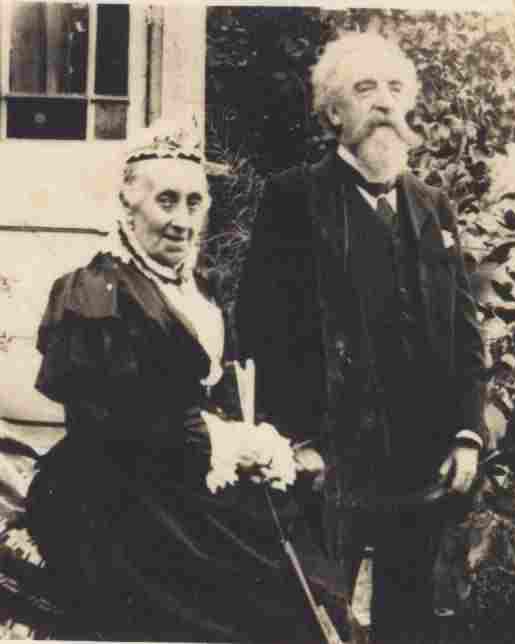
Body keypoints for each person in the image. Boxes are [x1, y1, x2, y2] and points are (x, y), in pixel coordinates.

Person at [25, 118, 345, 643]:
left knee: (304, 583)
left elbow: (220, 394)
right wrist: (222, 442)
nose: (182, 221)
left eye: (195, 203)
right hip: (120, 493)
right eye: (166, 201)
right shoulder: (95, 291)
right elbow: (107, 420)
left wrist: (257, 440)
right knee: (234, 602)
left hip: (191, 479)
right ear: (129, 205)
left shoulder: (201, 288)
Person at [236, 32, 487, 644]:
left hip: (421, 463)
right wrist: (293, 440)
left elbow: (465, 331)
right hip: (329, 463)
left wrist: (467, 432)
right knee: (314, 621)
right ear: (332, 112)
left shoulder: (434, 207)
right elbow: (258, 328)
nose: (383, 102)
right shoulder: (292, 199)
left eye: (395, 89)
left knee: (411, 623)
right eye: (365, 88)